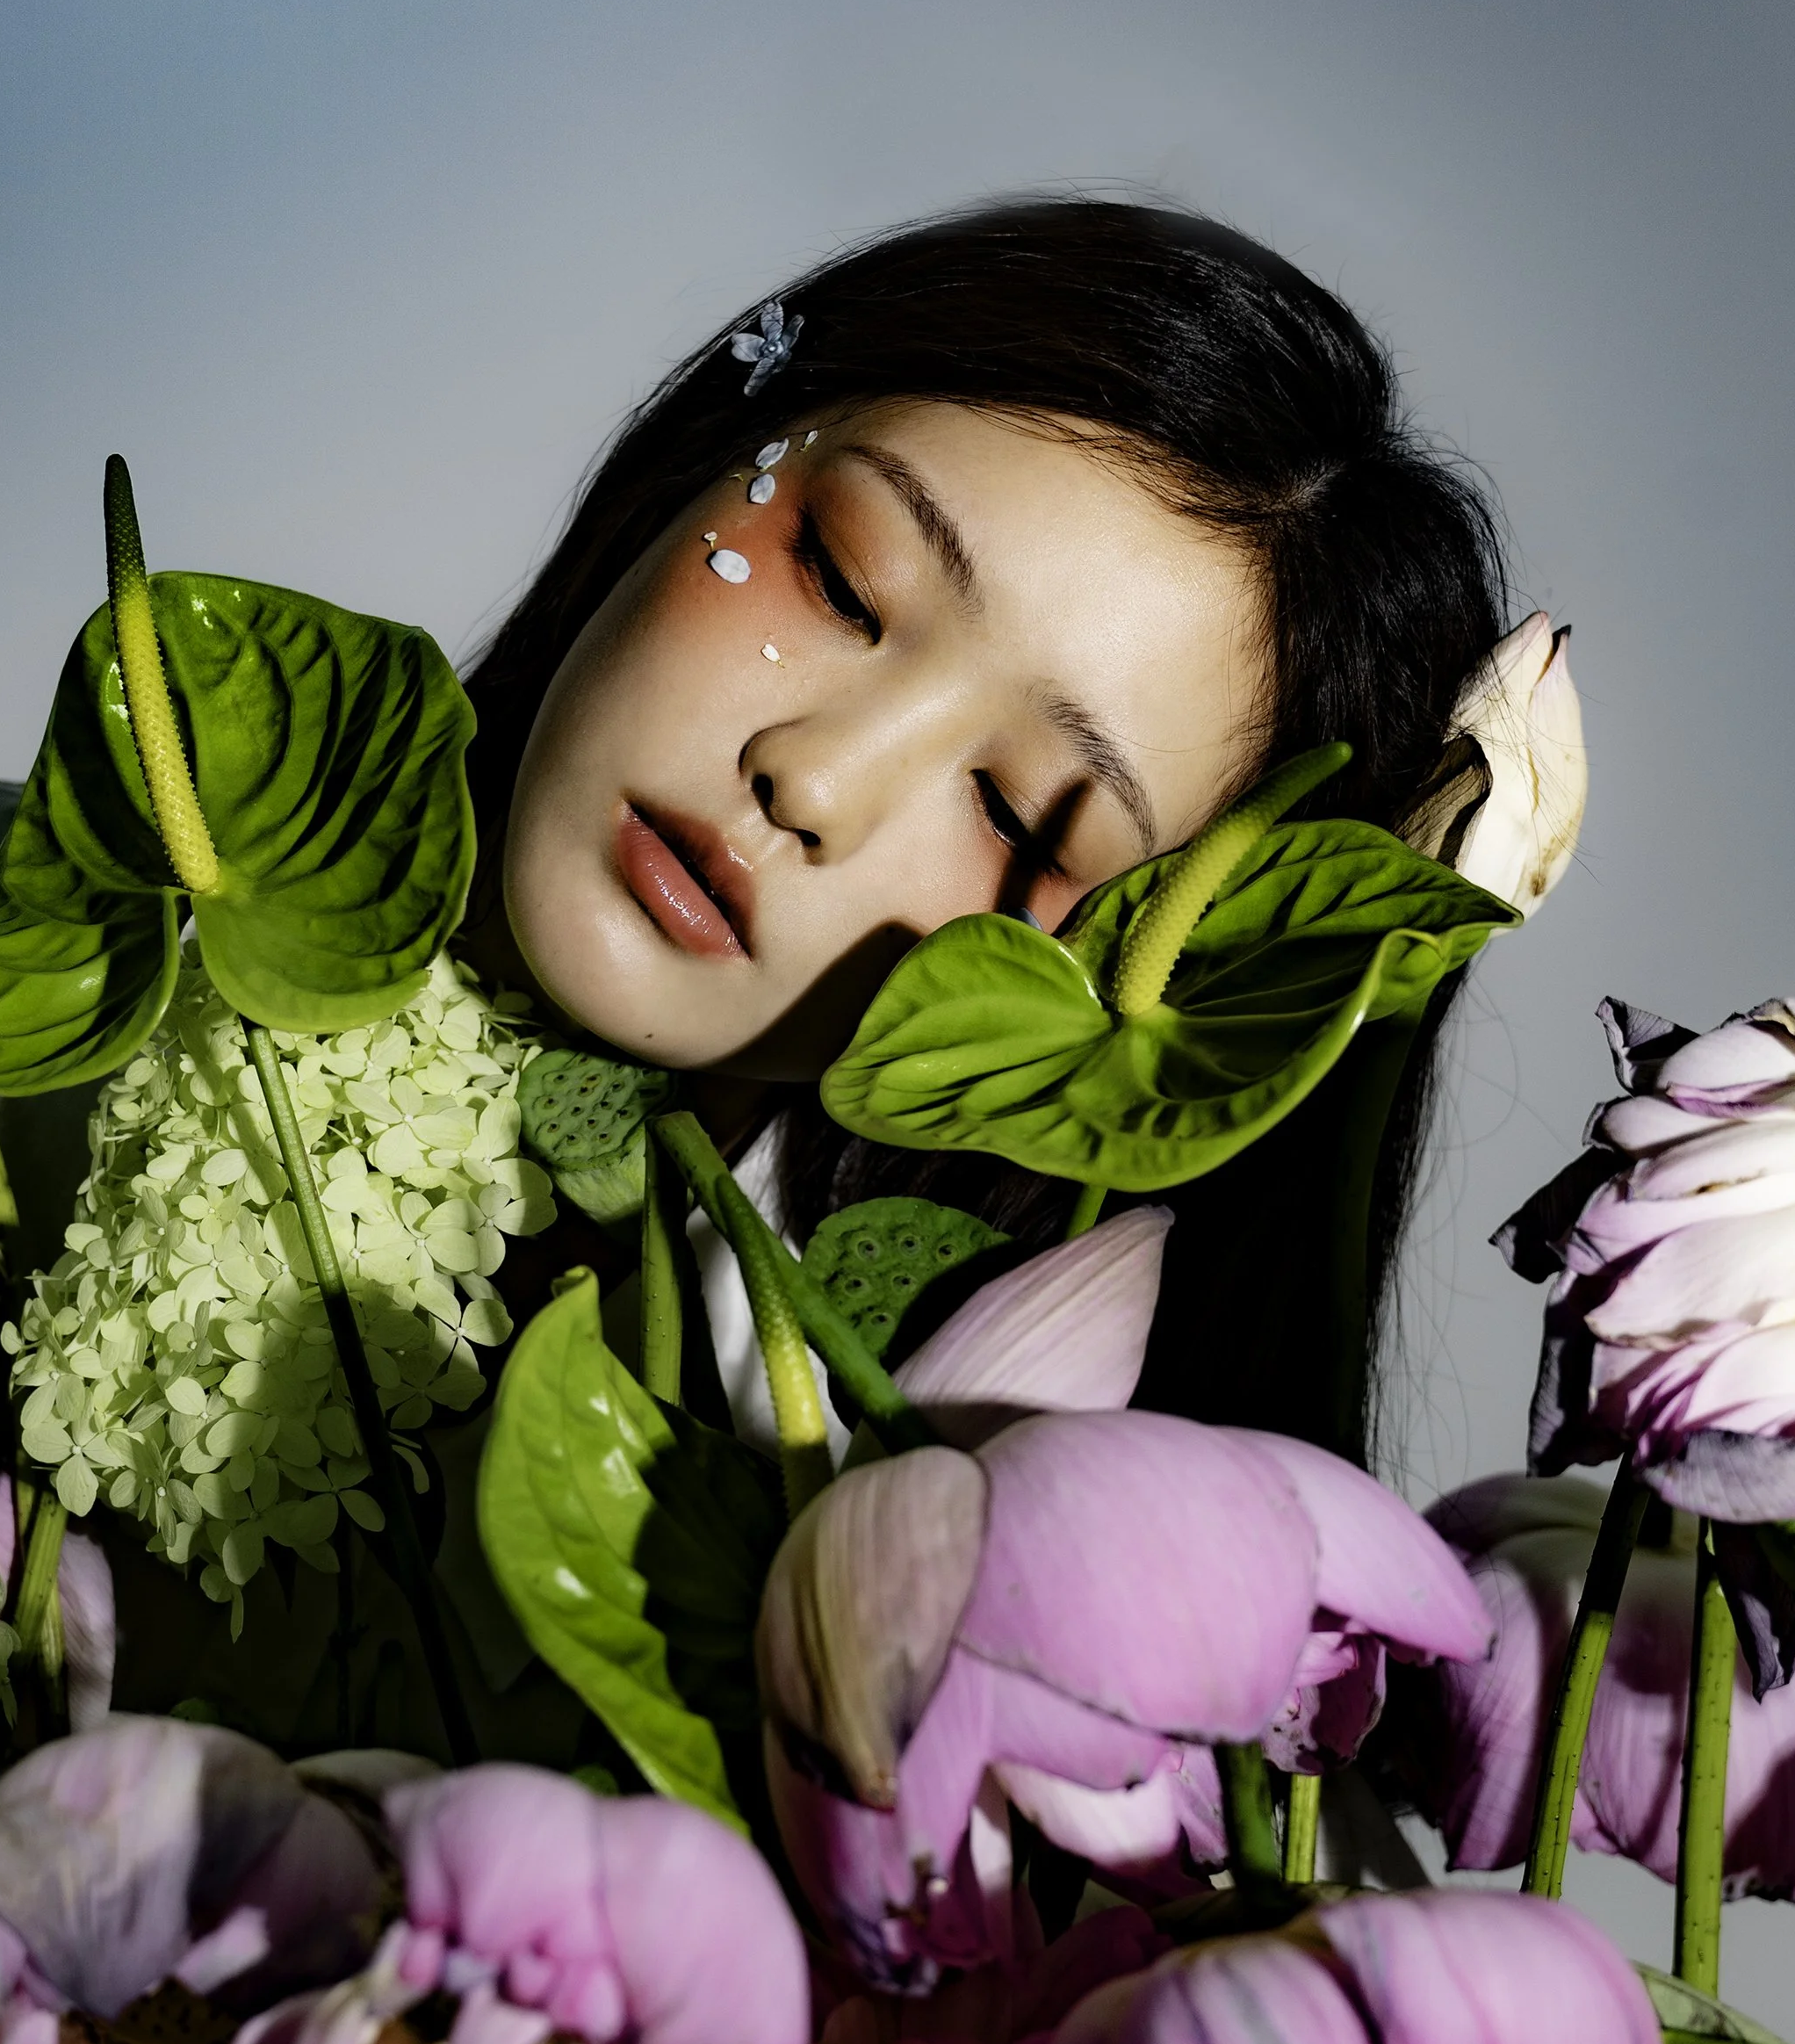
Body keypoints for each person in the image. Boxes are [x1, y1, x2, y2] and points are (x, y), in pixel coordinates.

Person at [458, 193, 1513, 1463]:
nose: (814, 784)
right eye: (844, 581)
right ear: (715, 449)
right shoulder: (156, 894)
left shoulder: (820, 1535)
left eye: (1016, 815)